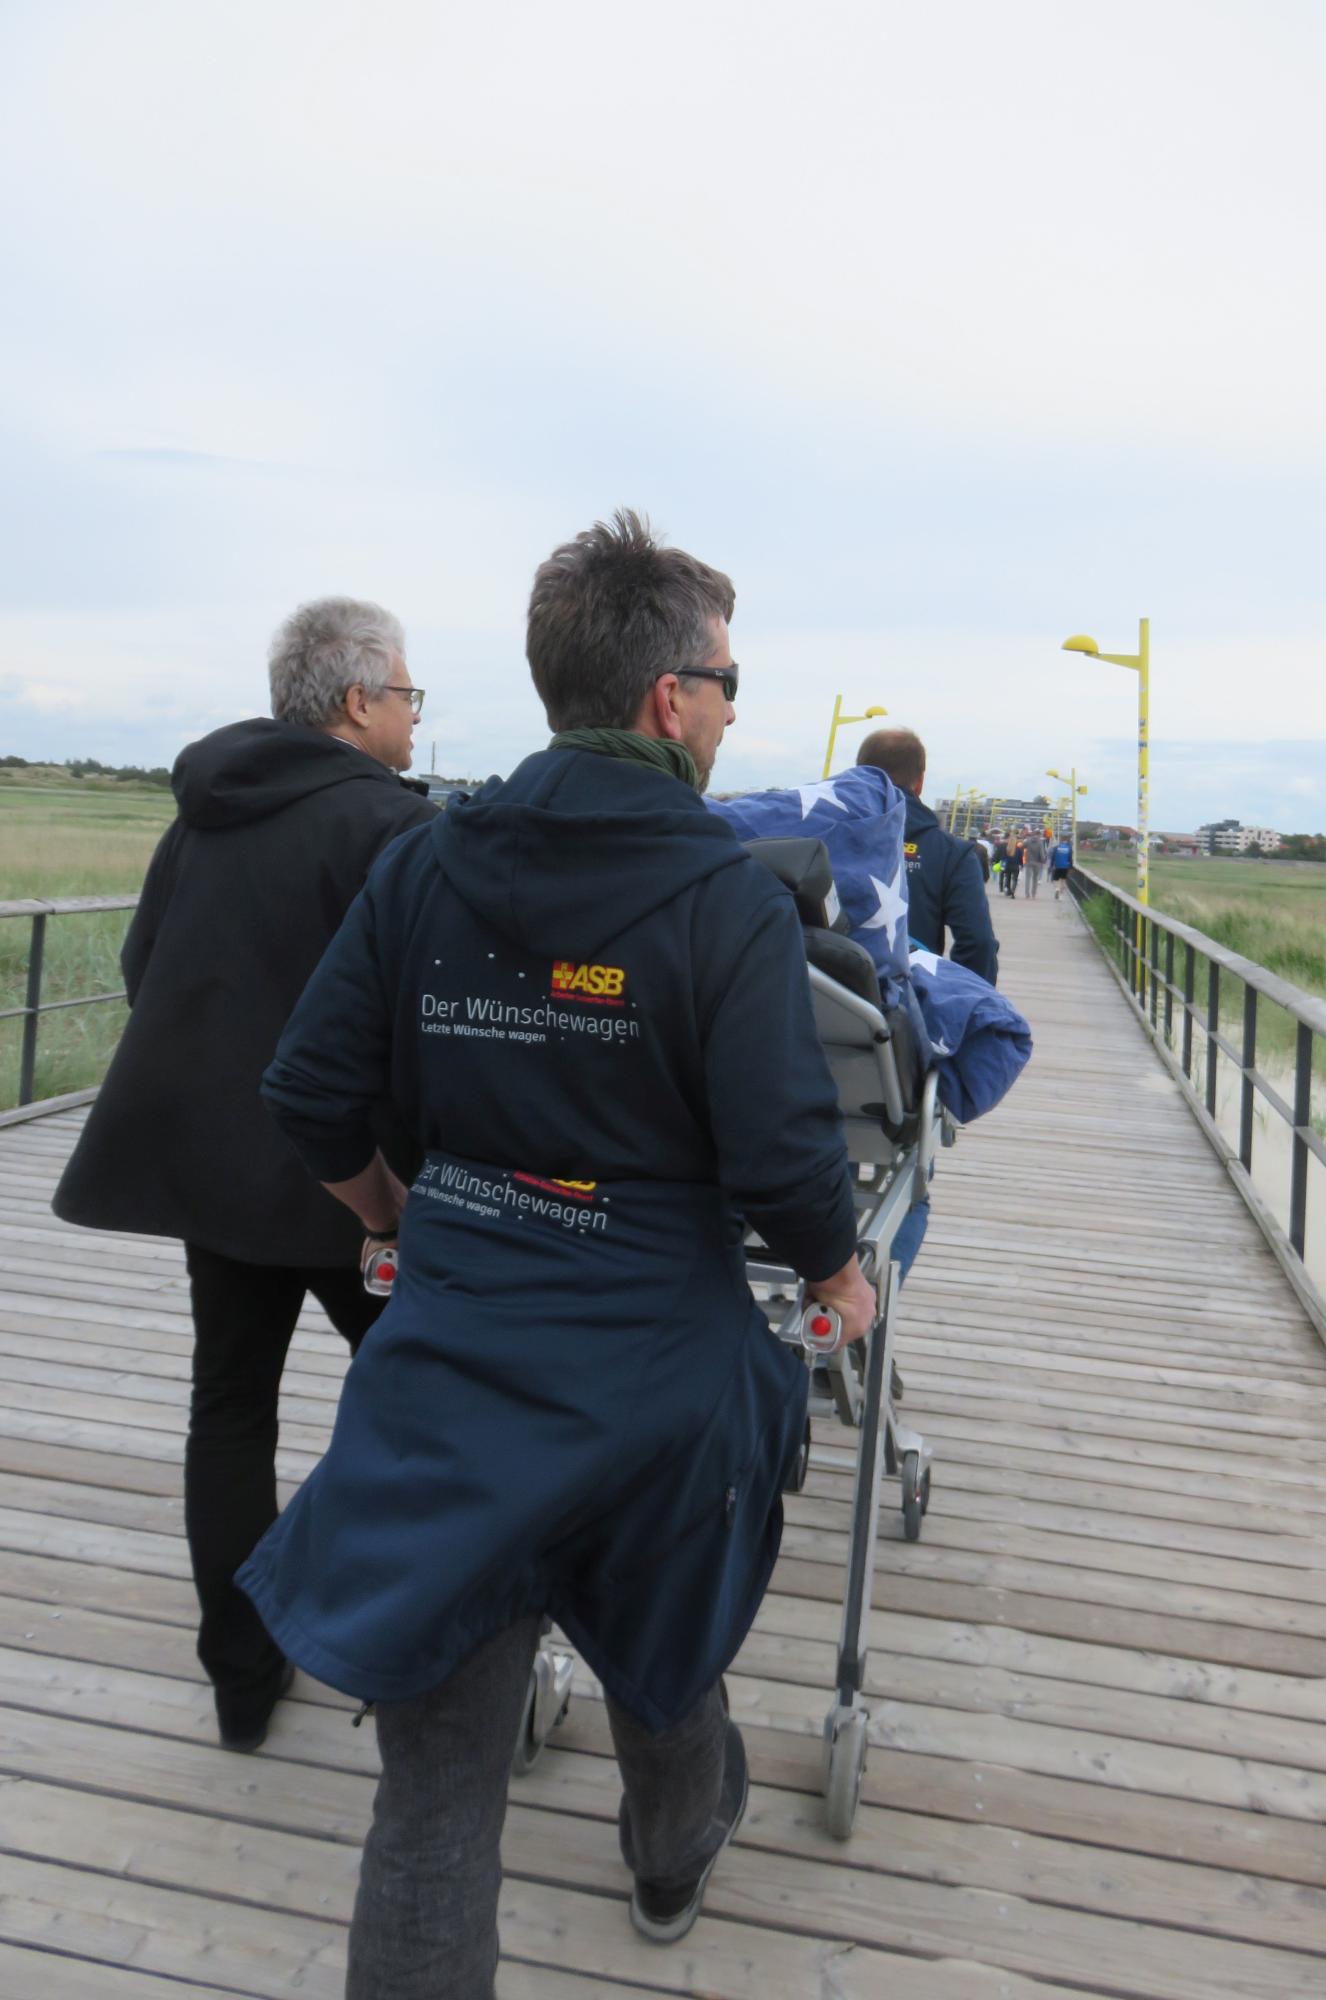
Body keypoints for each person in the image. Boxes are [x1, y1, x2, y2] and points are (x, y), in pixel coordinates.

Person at [236, 509, 877, 1994]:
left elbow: (310, 1092)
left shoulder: (425, 863)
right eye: (726, 684)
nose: (730, 712)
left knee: (433, 1795)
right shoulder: (728, 899)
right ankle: (670, 1854)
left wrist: (396, 1217)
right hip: (657, 1370)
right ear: (669, 699)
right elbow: (785, 1156)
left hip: (454, 1366)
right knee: (666, 1652)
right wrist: (838, 1274)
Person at [52, 598, 438, 1752]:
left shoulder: (205, 810)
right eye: (409, 694)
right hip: (359, 1185)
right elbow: (426, 1017)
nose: (416, 716)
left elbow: (145, 965)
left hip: (216, 1175)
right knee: (420, 1406)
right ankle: (402, 1640)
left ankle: (239, 1678)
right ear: (358, 700)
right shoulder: (392, 825)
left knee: (229, 1408)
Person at [855, 727, 997, 983]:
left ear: (858, 774)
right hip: (907, 991)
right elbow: (978, 943)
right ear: (919, 782)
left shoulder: (823, 833)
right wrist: (964, 998)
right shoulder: (954, 854)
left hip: (823, 992)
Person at [1022, 824, 1048, 899]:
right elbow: (1042, 854)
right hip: (1037, 863)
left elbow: (1023, 846)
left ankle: (1027, 894)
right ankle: (1033, 894)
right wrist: (1044, 861)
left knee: (1028, 878)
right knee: (1035, 879)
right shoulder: (1040, 842)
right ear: (1039, 834)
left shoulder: (1028, 841)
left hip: (1028, 861)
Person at [1051, 830, 1074, 899]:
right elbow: (1070, 858)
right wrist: (1071, 867)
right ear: (1067, 839)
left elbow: (1053, 857)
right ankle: (1061, 896)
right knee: (1063, 880)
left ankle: (1057, 889)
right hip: (1065, 866)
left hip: (1057, 866)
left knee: (1056, 879)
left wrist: (1051, 865)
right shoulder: (1069, 848)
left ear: (1060, 839)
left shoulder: (1056, 847)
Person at [1001, 831, 1022, 899]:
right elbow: (1020, 858)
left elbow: (1003, 858)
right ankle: (1013, 891)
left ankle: (1008, 890)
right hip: (1015, 866)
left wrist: (1003, 866)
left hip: (1008, 866)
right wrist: (1021, 864)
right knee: (1015, 879)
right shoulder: (1018, 849)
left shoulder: (1007, 848)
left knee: (1008, 878)